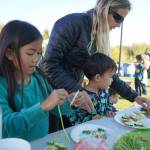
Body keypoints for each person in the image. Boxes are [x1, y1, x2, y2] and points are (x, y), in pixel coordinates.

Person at [40, 0, 150, 114]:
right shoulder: (72, 23)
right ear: (104, 9)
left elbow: (108, 72)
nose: (119, 25)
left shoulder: (100, 37)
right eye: (118, 18)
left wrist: (135, 97)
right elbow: (49, 63)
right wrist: (78, 91)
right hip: (48, 93)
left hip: (72, 95)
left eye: (122, 20)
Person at [0, 20, 92, 141]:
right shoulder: (2, 85)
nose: (36, 59)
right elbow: (5, 128)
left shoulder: (39, 78)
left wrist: (71, 101)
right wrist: (43, 106)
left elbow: (55, 110)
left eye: (39, 53)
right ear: (10, 53)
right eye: (30, 53)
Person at [67, 53, 117, 125]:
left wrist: (108, 111)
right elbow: (73, 118)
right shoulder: (81, 97)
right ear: (97, 77)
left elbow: (108, 105)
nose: (112, 80)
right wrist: (90, 119)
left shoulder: (104, 92)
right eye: (110, 76)